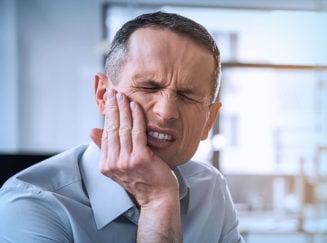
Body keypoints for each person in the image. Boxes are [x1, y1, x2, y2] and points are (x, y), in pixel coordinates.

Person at [0, 11, 244, 242]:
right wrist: (158, 200)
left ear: (209, 121)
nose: (166, 112)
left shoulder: (210, 188)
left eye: (188, 96)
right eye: (149, 87)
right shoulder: (30, 204)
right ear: (103, 95)